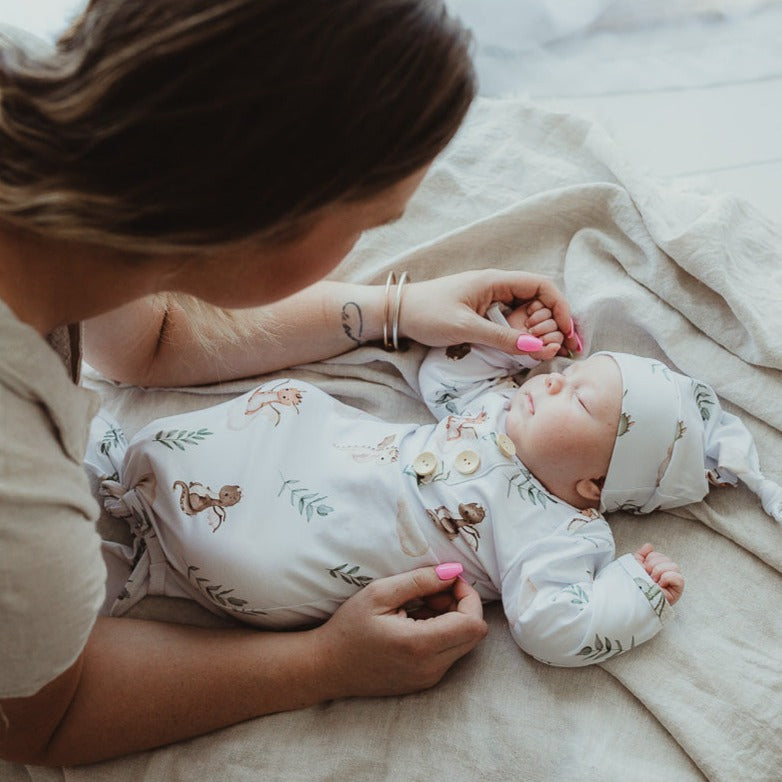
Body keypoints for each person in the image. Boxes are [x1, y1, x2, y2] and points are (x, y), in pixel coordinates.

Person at [0, 0, 585, 767]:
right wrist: (322, 665)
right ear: (255, 214)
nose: (368, 246)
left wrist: (393, 308)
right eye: (371, 223)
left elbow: (150, 338)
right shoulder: (20, 500)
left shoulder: (45, 110)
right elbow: (46, 717)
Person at [87, 300, 782, 667]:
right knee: (284, 409)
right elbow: (439, 371)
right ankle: (136, 475)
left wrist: (630, 596)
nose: (555, 381)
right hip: (309, 452)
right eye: (570, 370)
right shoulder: (493, 405)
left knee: (266, 552)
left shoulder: (558, 535)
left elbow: (553, 628)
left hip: (317, 543)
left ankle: (159, 560)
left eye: (582, 401)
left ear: (595, 486)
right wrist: (503, 337)